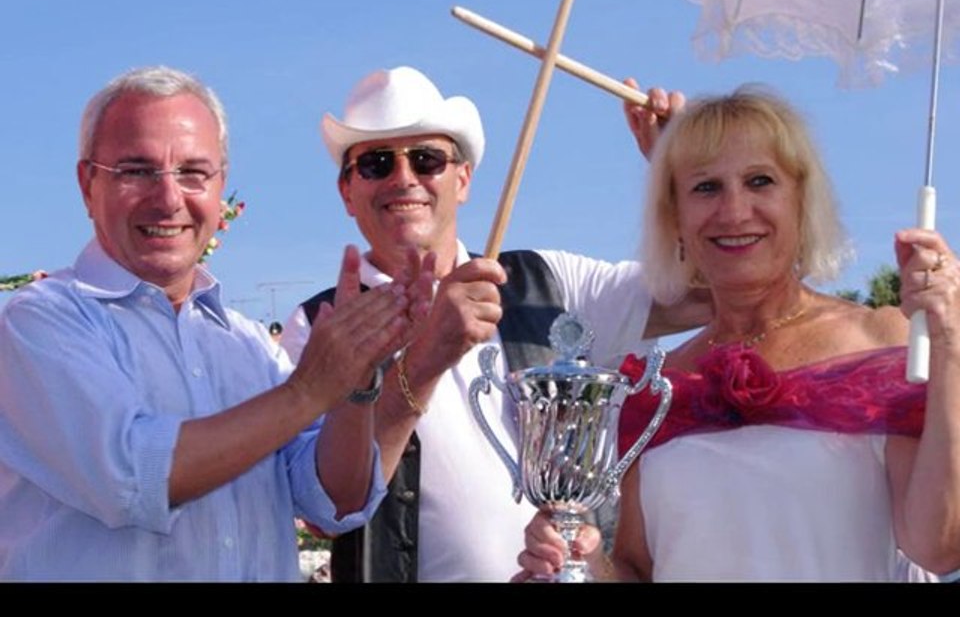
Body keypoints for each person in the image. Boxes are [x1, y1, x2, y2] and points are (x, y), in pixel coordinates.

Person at [0, 66, 433, 581]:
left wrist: (358, 383)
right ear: (88, 184)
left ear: (220, 185)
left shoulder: (247, 343)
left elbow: (332, 503)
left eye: (192, 172)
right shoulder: (37, 322)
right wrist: (310, 390)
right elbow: (134, 477)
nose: (168, 198)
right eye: (136, 171)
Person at [280, 65, 711, 582]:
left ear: (461, 179)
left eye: (426, 159)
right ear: (348, 192)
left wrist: (685, 174)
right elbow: (325, 506)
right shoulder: (315, 325)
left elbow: (710, 290)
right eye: (375, 163)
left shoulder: (551, 281)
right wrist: (425, 359)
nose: (403, 178)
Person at [515, 84, 960, 582]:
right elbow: (639, 570)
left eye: (760, 181)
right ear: (676, 218)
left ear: (802, 201)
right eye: (705, 187)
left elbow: (938, 546)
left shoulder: (882, 339)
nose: (733, 211)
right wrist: (585, 562)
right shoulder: (654, 383)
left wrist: (950, 346)